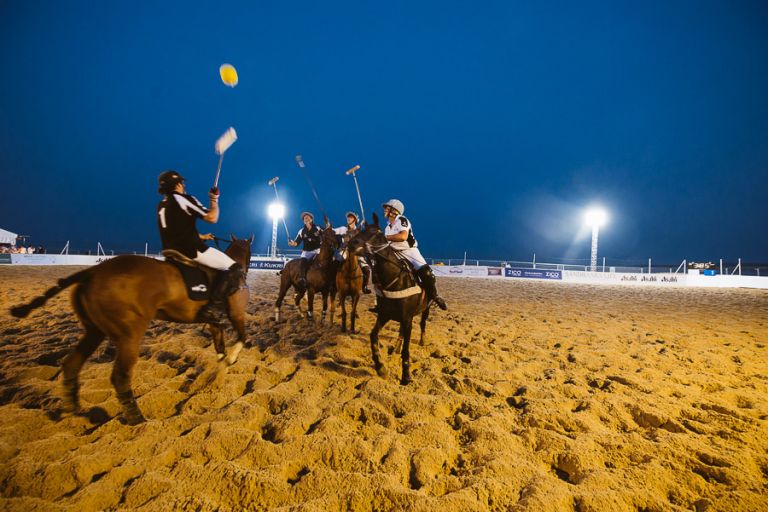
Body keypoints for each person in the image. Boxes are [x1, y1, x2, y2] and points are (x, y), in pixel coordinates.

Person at [156, 169, 244, 324]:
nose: (183, 185)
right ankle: (213, 308)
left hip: (170, 252)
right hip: (191, 250)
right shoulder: (183, 199)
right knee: (235, 268)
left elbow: (178, 230)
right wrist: (214, 199)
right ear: (177, 184)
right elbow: (212, 217)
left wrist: (203, 236)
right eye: (182, 183)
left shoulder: (162, 205)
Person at [381, 198, 447, 310]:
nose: (384, 210)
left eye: (387, 208)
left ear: (394, 210)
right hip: (394, 252)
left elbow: (403, 237)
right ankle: (382, 300)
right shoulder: (387, 227)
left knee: (427, 273)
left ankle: (434, 297)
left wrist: (384, 237)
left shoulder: (401, 220)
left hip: (409, 251)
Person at [332, 211, 371, 294]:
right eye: (348, 217)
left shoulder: (359, 231)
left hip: (357, 252)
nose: (348, 218)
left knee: (367, 270)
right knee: (335, 264)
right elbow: (333, 231)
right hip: (345, 251)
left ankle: (364, 287)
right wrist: (328, 227)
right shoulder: (343, 229)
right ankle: (334, 285)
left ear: (355, 220)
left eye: (351, 217)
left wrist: (366, 226)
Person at [287, 211, 322, 287]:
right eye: (304, 218)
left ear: (311, 219)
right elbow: (296, 243)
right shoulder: (301, 231)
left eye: (307, 217)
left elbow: (326, 234)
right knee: (302, 262)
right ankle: (302, 279)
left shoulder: (318, 228)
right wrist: (292, 243)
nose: (306, 218)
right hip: (307, 252)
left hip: (318, 250)